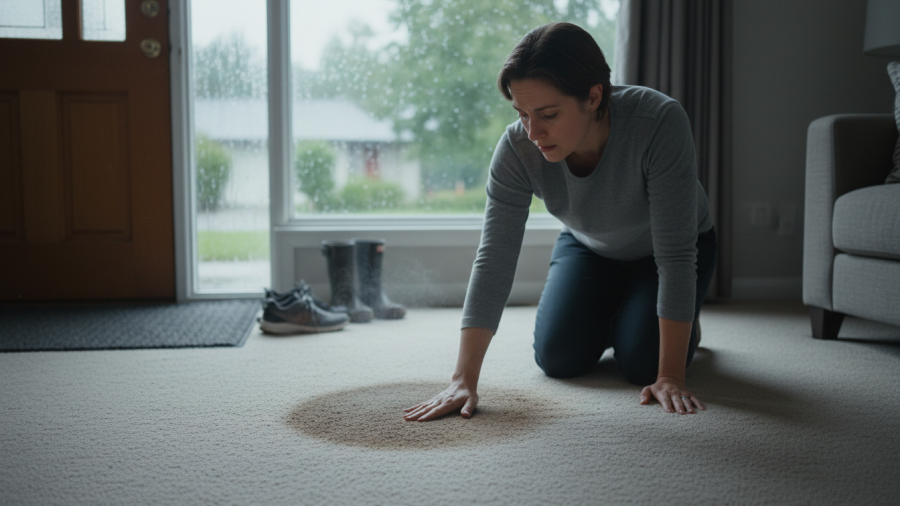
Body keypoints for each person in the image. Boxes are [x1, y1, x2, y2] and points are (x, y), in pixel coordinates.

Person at [404, 22, 717, 420]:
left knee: (642, 364)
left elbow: (675, 256)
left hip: (671, 249)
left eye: (548, 114)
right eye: (522, 114)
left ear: (593, 96)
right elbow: (495, 257)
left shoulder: (658, 122)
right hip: (590, 245)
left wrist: (670, 374)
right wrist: (463, 378)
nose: (533, 132)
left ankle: (673, 323)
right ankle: (631, 310)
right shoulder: (517, 149)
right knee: (558, 357)